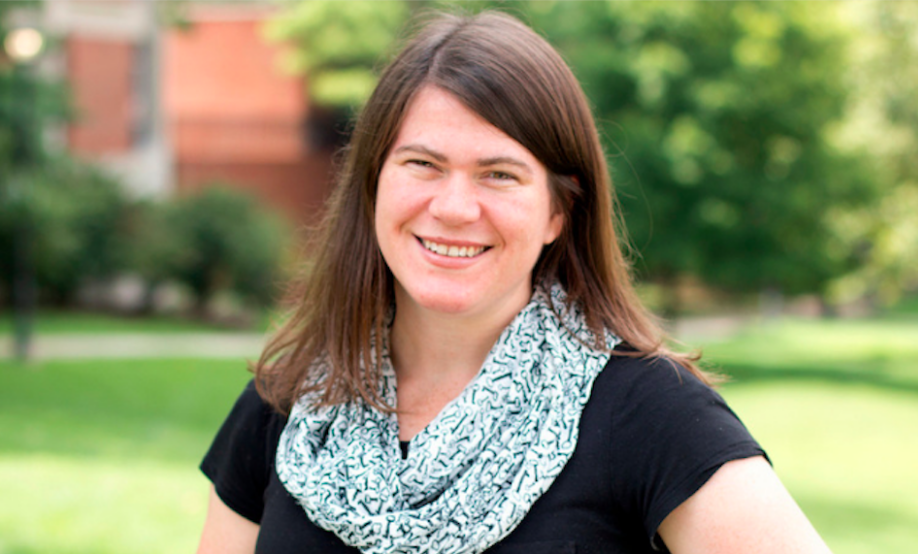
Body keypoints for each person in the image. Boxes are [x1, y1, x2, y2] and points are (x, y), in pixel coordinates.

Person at [197, 11, 832, 554]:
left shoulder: (649, 414)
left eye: (498, 174)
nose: (453, 207)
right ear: (373, 185)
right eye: (423, 164)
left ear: (558, 211)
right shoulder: (289, 405)